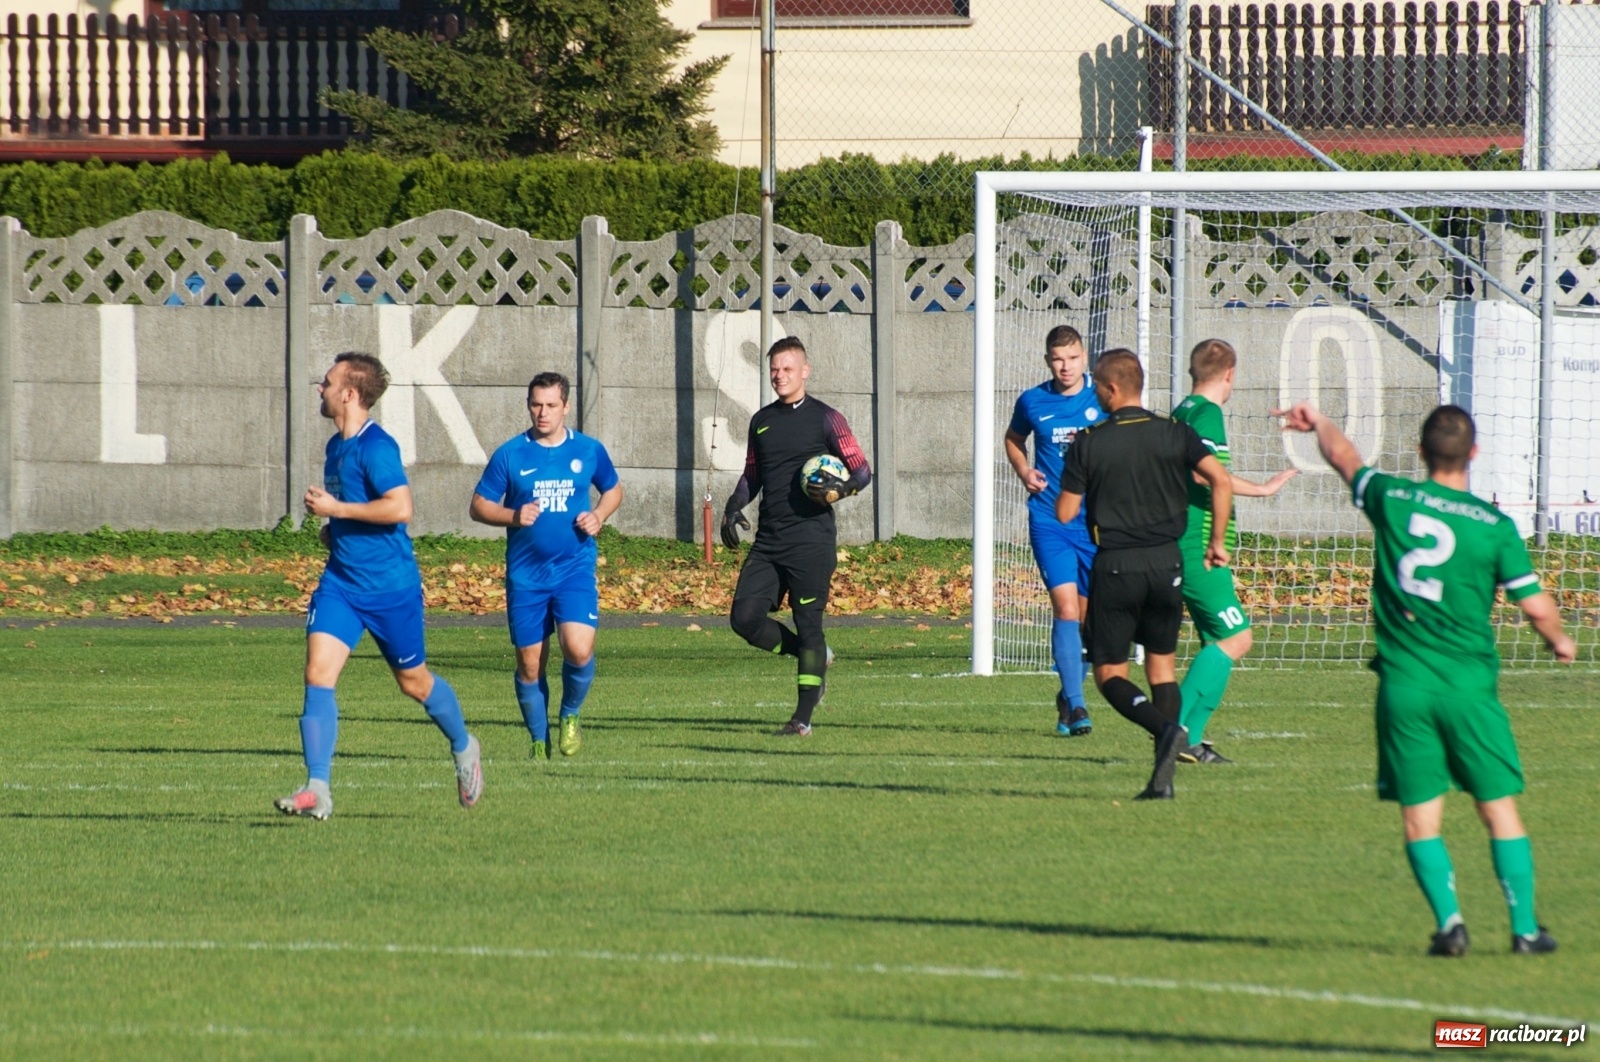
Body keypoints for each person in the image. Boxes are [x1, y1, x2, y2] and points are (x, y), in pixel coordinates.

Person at [1277, 401, 1573, 957]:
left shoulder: (1393, 497)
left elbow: (1344, 459)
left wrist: (1317, 423)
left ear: (1419, 452)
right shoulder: (1494, 527)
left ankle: (1450, 924)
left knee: (1420, 817)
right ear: (1474, 454)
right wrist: (1558, 640)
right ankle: (1526, 929)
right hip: (1468, 689)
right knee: (1498, 809)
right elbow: (1534, 604)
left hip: (1404, 686)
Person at [276, 352, 482, 820]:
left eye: (326, 382)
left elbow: (399, 508)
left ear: (349, 393)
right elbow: (354, 509)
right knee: (317, 674)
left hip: (391, 589)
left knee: (414, 683)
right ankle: (318, 787)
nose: (320, 389)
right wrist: (334, 528)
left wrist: (337, 511)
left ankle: (465, 747)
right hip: (342, 584)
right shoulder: (336, 447)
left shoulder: (377, 447)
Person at [1056, 350, 1232, 800]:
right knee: (1161, 669)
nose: (1094, 391)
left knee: (1110, 674)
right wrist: (1215, 541)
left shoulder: (1089, 441)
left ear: (1112, 389)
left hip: (1117, 564)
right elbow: (1221, 480)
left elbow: (1065, 513)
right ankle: (1162, 780)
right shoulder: (1176, 432)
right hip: (1168, 562)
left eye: (1097, 383)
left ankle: (1165, 730)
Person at [722, 336, 872, 736]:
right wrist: (734, 505)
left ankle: (802, 719)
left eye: (788, 369)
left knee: (808, 623)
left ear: (805, 371)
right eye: (774, 369)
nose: (779, 376)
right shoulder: (762, 421)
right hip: (769, 540)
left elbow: (861, 471)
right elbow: (752, 474)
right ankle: (813, 656)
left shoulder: (827, 418)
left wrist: (842, 490)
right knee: (745, 619)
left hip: (811, 540)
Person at [471, 372, 623, 759]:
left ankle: (570, 715)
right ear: (528, 404)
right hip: (526, 576)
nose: (543, 412)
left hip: (573, 568)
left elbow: (613, 488)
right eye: (536, 404)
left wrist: (599, 516)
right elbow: (479, 506)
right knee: (530, 664)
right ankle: (539, 741)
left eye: (551, 405)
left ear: (566, 407)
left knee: (579, 649)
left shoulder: (588, 450)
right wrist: (512, 515)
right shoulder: (511, 454)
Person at [1169, 339, 1297, 764]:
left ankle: (1193, 739)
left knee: (1216, 642)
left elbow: (1207, 473)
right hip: (1198, 547)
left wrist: (1260, 489)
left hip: (1184, 543)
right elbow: (1207, 478)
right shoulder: (1207, 414)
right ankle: (1173, 730)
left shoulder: (1181, 411)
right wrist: (1217, 540)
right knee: (1237, 638)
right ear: (1230, 374)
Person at [1004, 325, 1103, 736]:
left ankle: (1066, 695)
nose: (1066, 366)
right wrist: (1024, 469)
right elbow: (1013, 438)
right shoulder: (1032, 401)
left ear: (1085, 358)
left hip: (1095, 523)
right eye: (1058, 359)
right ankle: (1078, 707)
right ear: (1048, 361)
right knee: (1064, 608)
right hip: (1050, 521)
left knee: (1086, 617)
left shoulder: (1104, 398)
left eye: (1073, 358)